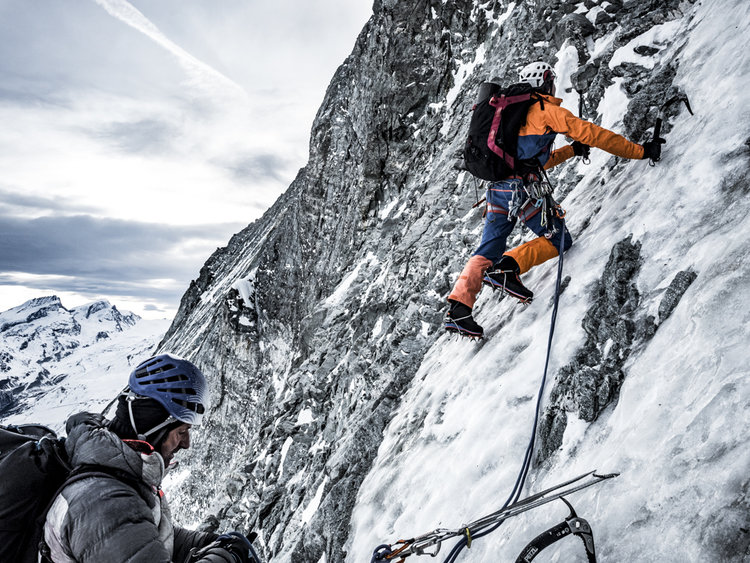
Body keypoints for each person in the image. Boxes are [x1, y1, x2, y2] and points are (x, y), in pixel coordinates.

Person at [445, 61, 665, 337]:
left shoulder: (513, 115)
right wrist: (641, 151)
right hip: (522, 191)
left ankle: (459, 308)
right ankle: (507, 268)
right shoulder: (546, 111)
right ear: (546, 80)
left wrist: (571, 152)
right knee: (558, 239)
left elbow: (531, 162)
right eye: (551, 80)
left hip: (498, 190)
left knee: (488, 247)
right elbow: (595, 135)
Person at [41, 353, 257, 563]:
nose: (186, 443)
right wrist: (224, 558)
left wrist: (206, 542)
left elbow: (144, 536)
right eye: (181, 432)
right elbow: (125, 530)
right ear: (154, 428)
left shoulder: (116, 471)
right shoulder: (105, 504)